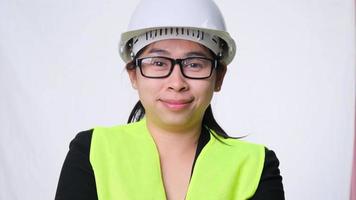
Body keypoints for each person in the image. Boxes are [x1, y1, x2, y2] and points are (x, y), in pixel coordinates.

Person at [55, 0, 285, 199]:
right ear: (133, 74)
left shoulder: (256, 165)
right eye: (158, 63)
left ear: (219, 77)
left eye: (194, 64)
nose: (177, 82)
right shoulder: (92, 151)